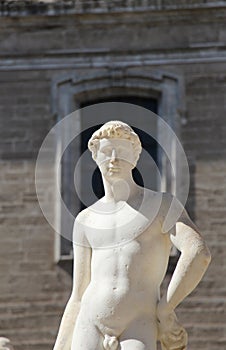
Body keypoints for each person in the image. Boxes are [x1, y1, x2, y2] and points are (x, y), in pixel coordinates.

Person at [53, 121, 211, 350]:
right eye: (106, 151)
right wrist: (60, 346)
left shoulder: (161, 205)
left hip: (139, 320)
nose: (114, 159)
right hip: (89, 321)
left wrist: (166, 308)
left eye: (123, 152)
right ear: (95, 157)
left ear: (135, 158)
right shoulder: (85, 220)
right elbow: (77, 296)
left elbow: (198, 252)